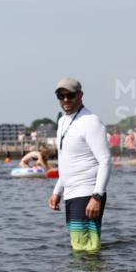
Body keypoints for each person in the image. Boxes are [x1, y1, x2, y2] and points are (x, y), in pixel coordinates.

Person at [47, 78, 112, 253]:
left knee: (87, 249)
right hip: (71, 193)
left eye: (70, 95)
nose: (65, 100)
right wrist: (57, 191)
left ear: (80, 95)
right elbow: (67, 161)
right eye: (61, 96)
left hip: (87, 193)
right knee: (79, 247)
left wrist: (97, 196)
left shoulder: (91, 121)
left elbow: (105, 160)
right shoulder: (62, 122)